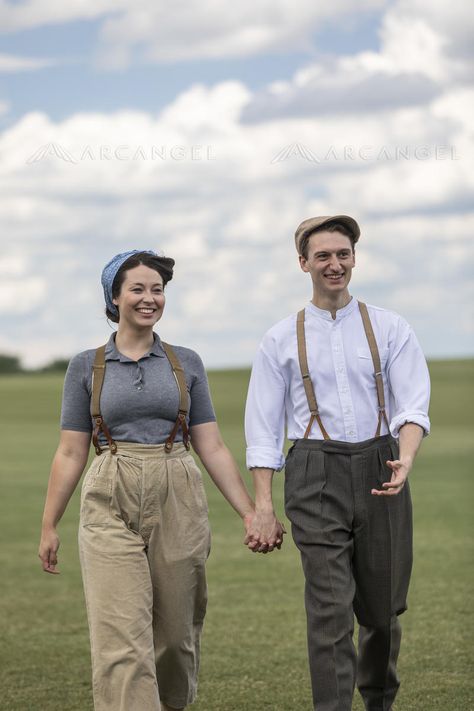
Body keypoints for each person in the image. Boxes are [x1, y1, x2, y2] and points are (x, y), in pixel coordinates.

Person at [39, 249, 285, 711]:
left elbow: (210, 444)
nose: (149, 298)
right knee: (121, 641)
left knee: (175, 637)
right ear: (114, 297)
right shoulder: (85, 366)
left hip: (179, 487)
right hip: (110, 487)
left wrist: (252, 513)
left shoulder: (185, 362)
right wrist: (49, 524)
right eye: (138, 288)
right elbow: (71, 450)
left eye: (157, 289)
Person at [244, 216, 430, 711]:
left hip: (381, 467)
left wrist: (404, 458)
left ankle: (379, 702)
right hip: (313, 472)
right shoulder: (279, 339)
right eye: (323, 255)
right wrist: (263, 506)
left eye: (343, 254)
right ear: (303, 263)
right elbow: (262, 431)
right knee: (329, 610)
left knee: (383, 609)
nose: (335, 264)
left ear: (354, 258)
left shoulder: (392, 328)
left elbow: (413, 405)